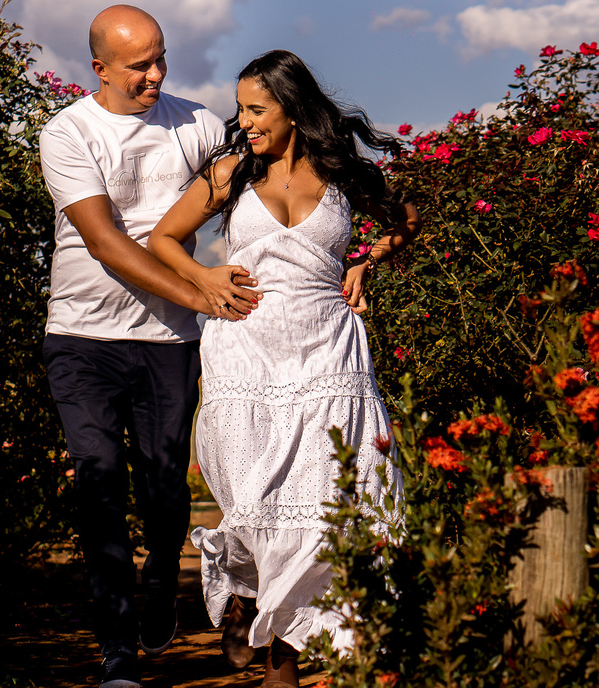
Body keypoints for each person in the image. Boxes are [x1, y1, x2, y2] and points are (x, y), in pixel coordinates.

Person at [148, 50, 420, 687]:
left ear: (292, 109)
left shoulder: (341, 172)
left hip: (329, 351)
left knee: (325, 500)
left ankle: (284, 660)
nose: (243, 121)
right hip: (246, 351)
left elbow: (407, 220)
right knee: (258, 498)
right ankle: (248, 595)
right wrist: (205, 277)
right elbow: (162, 240)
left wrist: (365, 262)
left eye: (256, 108)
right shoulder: (229, 173)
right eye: (239, 109)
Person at [38, 4, 261, 688]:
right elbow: (106, 243)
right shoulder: (68, 132)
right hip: (82, 337)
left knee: (164, 484)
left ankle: (163, 575)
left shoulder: (196, 125)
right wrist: (202, 294)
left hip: (167, 342)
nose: (156, 74)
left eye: (161, 58)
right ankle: (116, 646)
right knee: (99, 482)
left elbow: (264, 171)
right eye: (139, 65)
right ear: (100, 69)